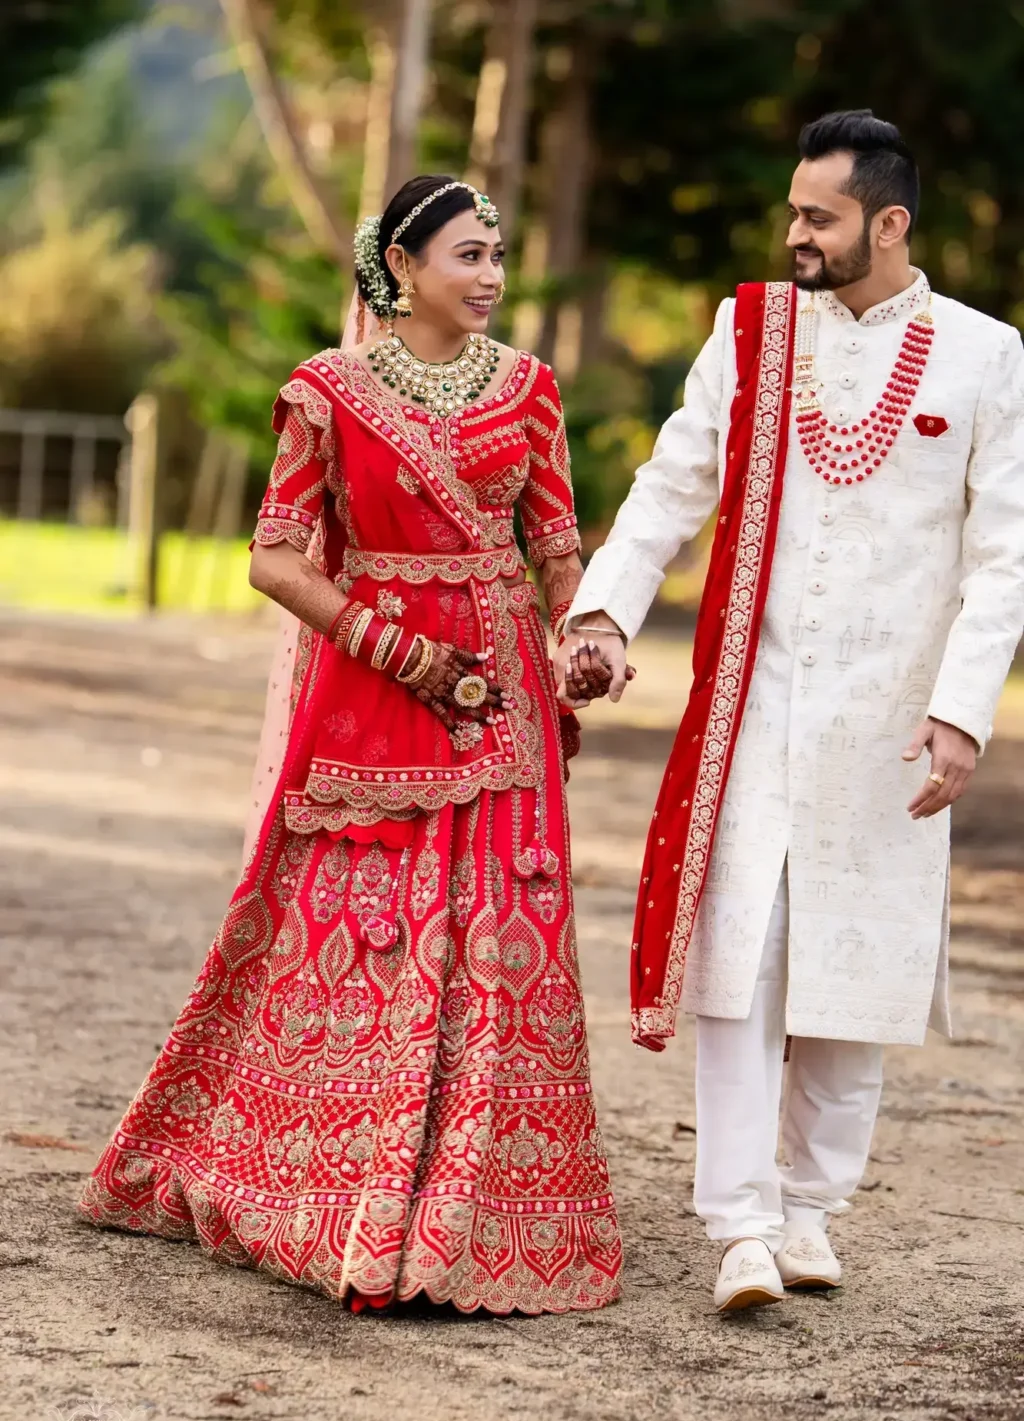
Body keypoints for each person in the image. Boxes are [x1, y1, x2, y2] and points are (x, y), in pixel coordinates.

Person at [78, 174, 622, 1316]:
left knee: (503, 935)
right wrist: (401, 649)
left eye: (499, 255)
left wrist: (587, 633)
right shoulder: (326, 394)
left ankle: (478, 1216)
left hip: (507, 698)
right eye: (469, 256)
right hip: (379, 690)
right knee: (359, 936)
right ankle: (328, 1194)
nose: (492, 277)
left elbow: (557, 548)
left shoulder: (529, 389)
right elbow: (275, 557)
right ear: (404, 266)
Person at [556, 110, 1024, 1312]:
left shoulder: (984, 355)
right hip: (752, 710)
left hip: (889, 721)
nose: (793, 234)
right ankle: (739, 1223)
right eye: (791, 213)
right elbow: (672, 482)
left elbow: (1002, 556)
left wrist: (963, 711)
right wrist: (602, 612)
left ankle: (811, 1208)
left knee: (850, 970)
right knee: (739, 965)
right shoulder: (751, 329)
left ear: (889, 220)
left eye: (816, 215)